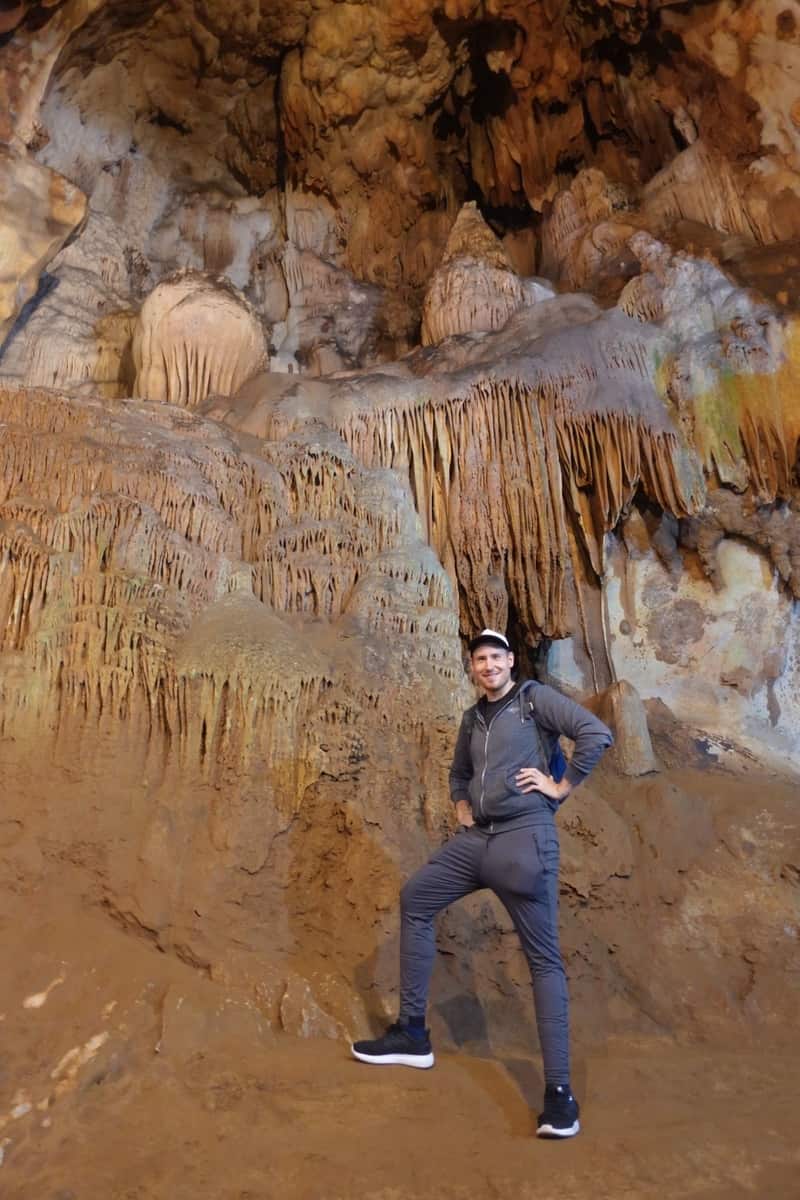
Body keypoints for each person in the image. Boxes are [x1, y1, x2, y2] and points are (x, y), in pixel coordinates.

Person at [351, 628, 613, 1139]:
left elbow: (596, 735)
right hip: (479, 843)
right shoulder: (473, 718)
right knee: (416, 898)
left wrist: (558, 787)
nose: (488, 665)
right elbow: (457, 772)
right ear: (471, 668)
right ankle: (412, 1035)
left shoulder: (532, 701)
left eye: (496, 657)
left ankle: (559, 1096)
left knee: (543, 961)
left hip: (523, 842)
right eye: (480, 659)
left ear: (511, 661)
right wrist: (462, 805)